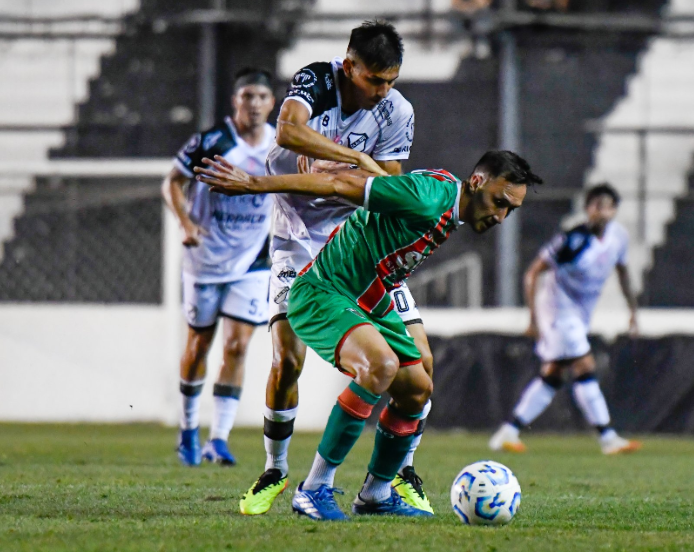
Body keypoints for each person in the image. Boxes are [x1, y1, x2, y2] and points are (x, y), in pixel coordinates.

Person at [195, 149, 543, 519]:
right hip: (324, 290)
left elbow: (392, 189)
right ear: (477, 182)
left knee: (417, 388)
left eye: (510, 210)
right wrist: (253, 184)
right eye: (499, 202)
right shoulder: (430, 198)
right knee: (379, 366)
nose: (501, 216)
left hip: (371, 297)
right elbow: (336, 184)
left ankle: (376, 494)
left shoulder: (446, 198)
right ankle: (313, 489)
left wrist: (369, 165)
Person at [240, 21, 436, 515]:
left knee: (421, 366)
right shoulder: (315, 82)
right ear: (350, 67)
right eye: (375, 80)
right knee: (288, 359)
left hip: (355, 244)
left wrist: (339, 174)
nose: (383, 91)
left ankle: (398, 473)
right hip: (295, 238)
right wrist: (350, 158)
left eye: (391, 80)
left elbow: (388, 184)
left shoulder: (398, 110)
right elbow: (288, 130)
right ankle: (275, 469)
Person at [161, 68, 276, 466]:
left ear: (272, 102)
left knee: (237, 345)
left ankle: (219, 439)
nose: (255, 104)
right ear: (235, 101)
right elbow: (171, 183)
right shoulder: (213, 142)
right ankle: (188, 430)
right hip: (206, 258)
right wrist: (186, 223)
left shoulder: (281, 145)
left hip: (254, 260)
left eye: (262, 96)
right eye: (247, 96)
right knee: (199, 347)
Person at [489, 183, 641, 455]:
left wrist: (633, 311)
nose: (602, 211)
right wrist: (533, 318)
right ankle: (608, 438)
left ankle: (508, 432)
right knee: (584, 364)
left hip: (581, 313)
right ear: (587, 209)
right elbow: (532, 273)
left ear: (615, 210)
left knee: (553, 374)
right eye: (597, 205)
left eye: (608, 206)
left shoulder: (618, 237)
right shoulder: (572, 240)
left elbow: (623, 272)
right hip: (557, 308)